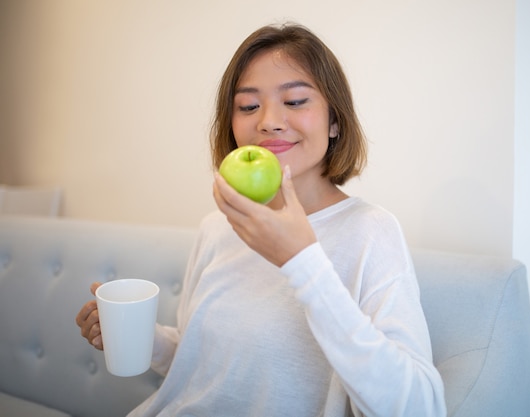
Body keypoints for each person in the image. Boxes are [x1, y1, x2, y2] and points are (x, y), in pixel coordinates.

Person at [76, 23, 446, 417]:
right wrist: (139, 337)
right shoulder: (217, 226)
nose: (268, 121)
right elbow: (199, 364)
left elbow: (420, 407)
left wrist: (301, 259)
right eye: (249, 107)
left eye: (296, 100)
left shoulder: (371, 231)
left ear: (334, 121)